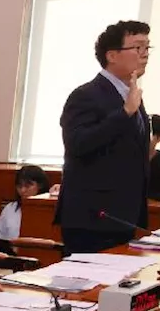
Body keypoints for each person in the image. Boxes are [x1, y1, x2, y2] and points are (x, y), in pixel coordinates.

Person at [55, 21, 151, 254]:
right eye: (138, 48)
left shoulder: (131, 94)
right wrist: (124, 113)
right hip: (92, 218)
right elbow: (78, 143)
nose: (145, 55)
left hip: (123, 216)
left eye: (148, 48)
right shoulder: (85, 95)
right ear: (112, 55)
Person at [0, 165, 50, 255]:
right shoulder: (10, 208)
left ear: (40, 185)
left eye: (28, 186)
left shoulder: (48, 211)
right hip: (11, 257)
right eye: (19, 186)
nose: (23, 190)